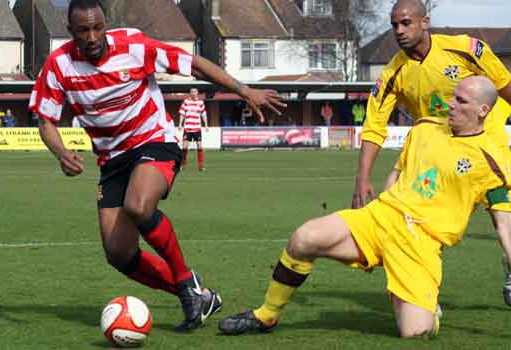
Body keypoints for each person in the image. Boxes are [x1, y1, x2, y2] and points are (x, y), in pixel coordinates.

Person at [29, 0, 285, 332]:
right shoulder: (59, 65)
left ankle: (184, 279)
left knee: (138, 205)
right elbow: (45, 120)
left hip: (154, 139)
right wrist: (61, 152)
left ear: (105, 25)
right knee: (118, 253)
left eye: (97, 28)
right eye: (83, 30)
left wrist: (243, 89)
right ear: (70, 32)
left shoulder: (134, 46)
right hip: (112, 160)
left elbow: (194, 64)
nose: (92, 36)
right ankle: (196, 294)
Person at [219, 76, 511, 338]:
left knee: (415, 332)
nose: (450, 104)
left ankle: (428, 311)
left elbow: (503, 222)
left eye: (460, 100)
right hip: (381, 218)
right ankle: (266, 315)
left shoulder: (494, 161)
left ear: (483, 111)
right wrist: (386, 208)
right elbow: (398, 172)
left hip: (420, 243)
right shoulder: (425, 128)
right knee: (305, 237)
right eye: (452, 96)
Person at [351, 0, 511, 305]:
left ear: (425, 22)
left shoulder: (465, 48)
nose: (399, 30)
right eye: (394, 24)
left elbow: (504, 85)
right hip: (436, 154)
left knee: (503, 219)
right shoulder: (392, 75)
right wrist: (362, 178)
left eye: (406, 23)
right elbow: (374, 127)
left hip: (484, 146)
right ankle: (422, 292)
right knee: (421, 221)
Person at [178, 88, 208, 171]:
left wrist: (206, 125)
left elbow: (203, 114)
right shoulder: (186, 102)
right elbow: (182, 113)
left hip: (197, 128)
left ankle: (201, 166)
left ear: (197, 93)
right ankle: (183, 164)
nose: (193, 93)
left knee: (199, 146)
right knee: (184, 147)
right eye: (192, 92)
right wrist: (180, 124)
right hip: (187, 128)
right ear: (190, 93)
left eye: (195, 92)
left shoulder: (200, 102)